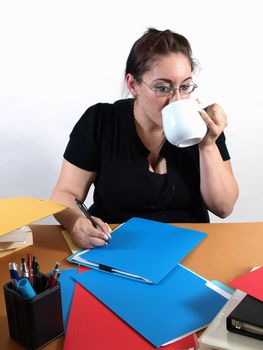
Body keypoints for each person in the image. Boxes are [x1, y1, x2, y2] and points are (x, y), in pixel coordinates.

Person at [51, 28, 239, 249]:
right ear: (133, 85)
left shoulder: (204, 124)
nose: (176, 100)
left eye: (185, 86)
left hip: (188, 250)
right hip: (116, 250)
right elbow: (64, 193)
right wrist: (76, 222)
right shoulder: (101, 121)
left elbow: (223, 208)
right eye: (163, 88)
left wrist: (207, 144)